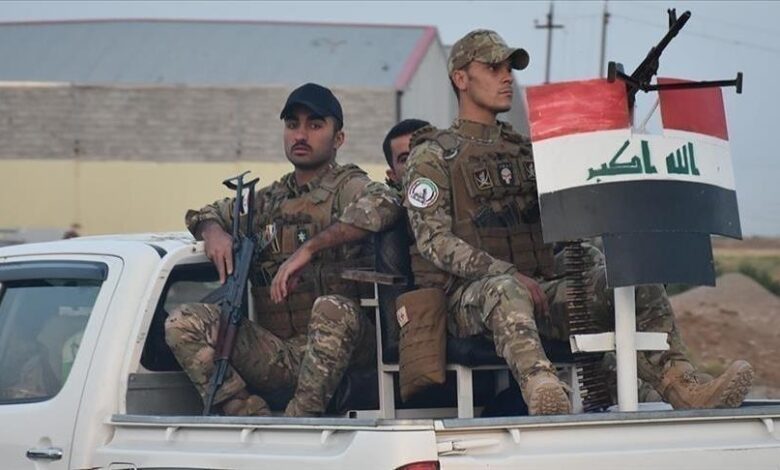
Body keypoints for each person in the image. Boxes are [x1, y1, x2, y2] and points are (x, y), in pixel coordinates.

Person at [402, 29, 754, 415]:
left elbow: (574, 212)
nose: (506, 77)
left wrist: (616, 126)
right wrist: (504, 272)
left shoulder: (528, 152)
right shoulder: (433, 155)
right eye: (493, 68)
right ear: (461, 78)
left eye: (509, 69)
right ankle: (543, 387)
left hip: (541, 289)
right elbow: (433, 239)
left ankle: (684, 384)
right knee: (504, 289)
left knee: (632, 280)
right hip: (470, 301)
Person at [165, 83, 401, 417]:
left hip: (346, 348)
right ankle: (244, 411)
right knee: (182, 322)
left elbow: (388, 203)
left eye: (314, 125)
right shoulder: (267, 201)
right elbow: (206, 213)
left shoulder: (349, 187)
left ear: (338, 139)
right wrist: (213, 232)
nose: (300, 135)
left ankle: (298, 423)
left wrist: (309, 249)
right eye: (292, 125)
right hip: (278, 351)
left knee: (332, 309)